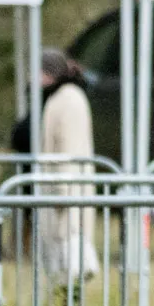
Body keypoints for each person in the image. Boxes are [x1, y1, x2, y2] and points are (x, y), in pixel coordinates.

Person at [30, 48, 99, 287]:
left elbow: (69, 147)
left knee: (70, 248)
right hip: (65, 188)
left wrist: (61, 188)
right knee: (64, 254)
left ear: (47, 73)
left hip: (67, 189)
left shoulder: (67, 100)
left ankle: (70, 299)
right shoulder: (63, 98)